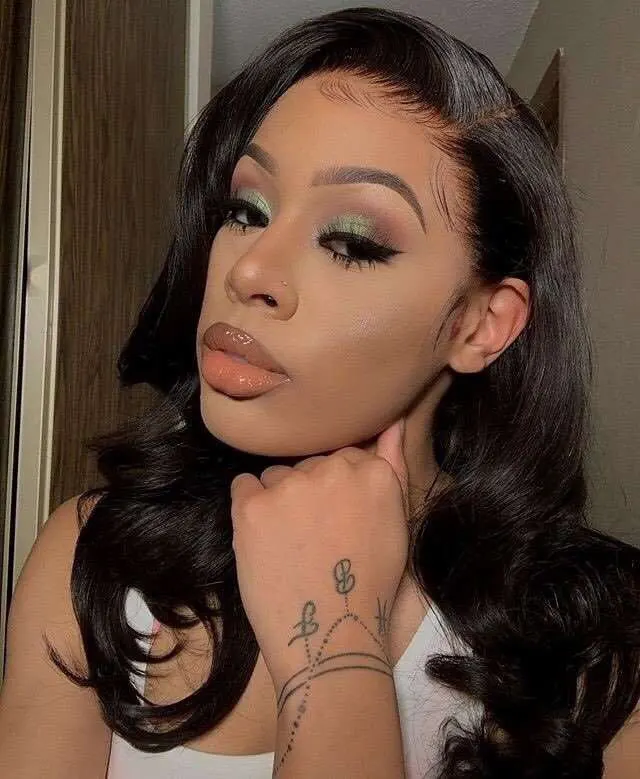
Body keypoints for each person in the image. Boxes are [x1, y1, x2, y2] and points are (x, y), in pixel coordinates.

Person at [1, 6, 639, 778]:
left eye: (351, 242)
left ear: (480, 325)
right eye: (246, 210)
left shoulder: (607, 643)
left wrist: (332, 655)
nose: (249, 270)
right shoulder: (92, 554)